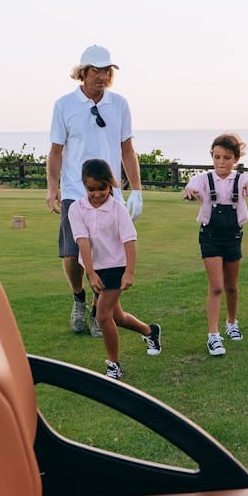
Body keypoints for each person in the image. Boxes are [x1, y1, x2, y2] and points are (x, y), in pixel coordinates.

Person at [47, 44, 144, 337]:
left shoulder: (120, 104)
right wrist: (52, 187)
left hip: (108, 192)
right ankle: (79, 296)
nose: (102, 76)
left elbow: (127, 150)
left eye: (107, 71)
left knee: (106, 256)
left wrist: (136, 190)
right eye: (97, 71)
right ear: (83, 72)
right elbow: (55, 152)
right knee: (70, 254)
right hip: (75, 191)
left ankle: (96, 312)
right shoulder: (64, 105)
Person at [68, 159, 161, 380]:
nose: (97, 194)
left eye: (102, 188)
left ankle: (114, 364)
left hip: (116, 267)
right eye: (91, 189)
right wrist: (90, 273)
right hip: (96, 270)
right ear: (84, 186)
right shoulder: (76, 208)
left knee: (102, 316)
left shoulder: (118, 209)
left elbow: (129, 241)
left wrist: (129, 272)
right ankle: (150, 331)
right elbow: (82, 242)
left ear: (110, 185)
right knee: (116, 317)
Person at [181, 133, 248, 356]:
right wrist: (189, 191)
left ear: (235, 159)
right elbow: (192, 186)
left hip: (233, 235)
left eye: (226, 157)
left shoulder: (240, 179)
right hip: (210, 236)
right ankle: (213, 336)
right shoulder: (204, 179)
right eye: (217, 157)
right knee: (216, 286)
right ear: (212, 157)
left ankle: (232, 322)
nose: (221, 162)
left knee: (231, 286)